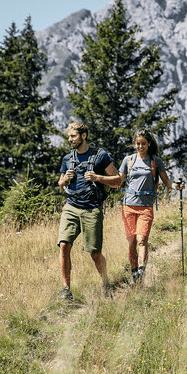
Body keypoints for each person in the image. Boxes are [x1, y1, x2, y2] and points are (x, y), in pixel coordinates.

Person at [57, 121, 122, 300]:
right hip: (71, 206)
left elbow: (118, 181)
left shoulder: (100, 156)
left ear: (83, 135)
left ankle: (105, 283)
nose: (70, 140)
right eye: (69, 137)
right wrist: (64, 181)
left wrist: (98, 177)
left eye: (73, 136)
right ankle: (66, 289)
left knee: (94, 252)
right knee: (64, 245)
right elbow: (61, 185)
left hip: (92, 208)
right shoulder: (67, 159)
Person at [117, 128, 184, 285]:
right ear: (135, 144)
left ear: (149, 144)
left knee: (142, 239)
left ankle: (141, 270)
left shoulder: (156, 161)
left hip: (146, 206)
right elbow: (119, 180)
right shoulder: (128, 160)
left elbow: (167, 182)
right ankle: (134, 273)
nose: (140, 147)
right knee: (132, 241)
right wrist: (99, 180)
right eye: (138, 144)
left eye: (143, 144)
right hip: (128, 205)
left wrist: (177, 186)